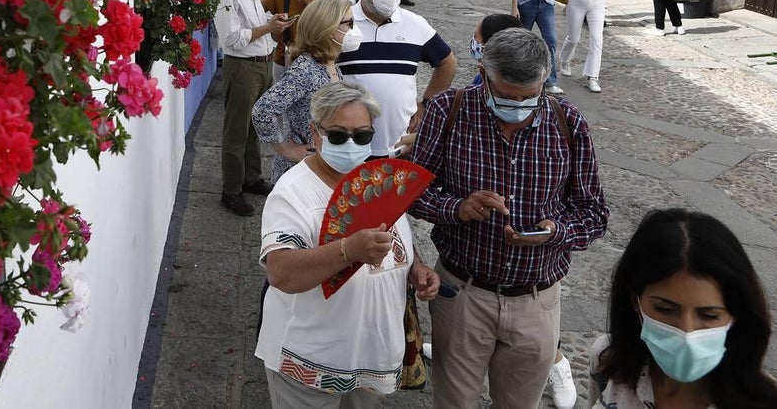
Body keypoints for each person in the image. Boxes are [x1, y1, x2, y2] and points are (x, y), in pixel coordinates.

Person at [409, 27, 609, 409]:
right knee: (453, 402)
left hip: (536, 301)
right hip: (462, 292)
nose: (517, 106)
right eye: (505, 97)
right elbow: (413, 192)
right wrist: (458, 208)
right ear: (483, 75)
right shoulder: (448, 111)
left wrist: (555, 232)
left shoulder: (567, 123)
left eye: (529, 98)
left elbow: (594, 214)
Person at [256, 81, 441, 407]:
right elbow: (281, 273)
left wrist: (416, 267)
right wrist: (348, 250)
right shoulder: (293, 192)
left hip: (370, 361)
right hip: (310, 362)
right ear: (315, 133)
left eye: (363, 135)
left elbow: (395, 237)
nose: (352, 144)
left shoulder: (375, 179)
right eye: (339, 135)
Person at [588, 209, 777, 409]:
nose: (686, 332)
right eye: (665, 309)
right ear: (635, 300)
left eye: (709, 315)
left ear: (735, 314)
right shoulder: (608, 358)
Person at [338, 0, 457, 159]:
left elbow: (447, 62)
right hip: (348, 146)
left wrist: (427, 104)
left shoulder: (414, 24)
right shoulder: (341, 23)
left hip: (399, 147)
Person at [213, 0, 293, 217]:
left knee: (255, 126)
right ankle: (231, 190)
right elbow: (232, 39)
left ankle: (252, 177)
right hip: (243, 66)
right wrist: (267, 27)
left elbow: (253, 26)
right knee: (237, 130)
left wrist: (273, 23)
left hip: (262, 63)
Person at [252, 0, 354, 183]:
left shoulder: (331, 65)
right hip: (300, 174)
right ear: (328, 28)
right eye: (349, 23)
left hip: (320, 168)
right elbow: (263, 110)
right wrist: (284, 148)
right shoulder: (306, 70)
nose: (354, 30)